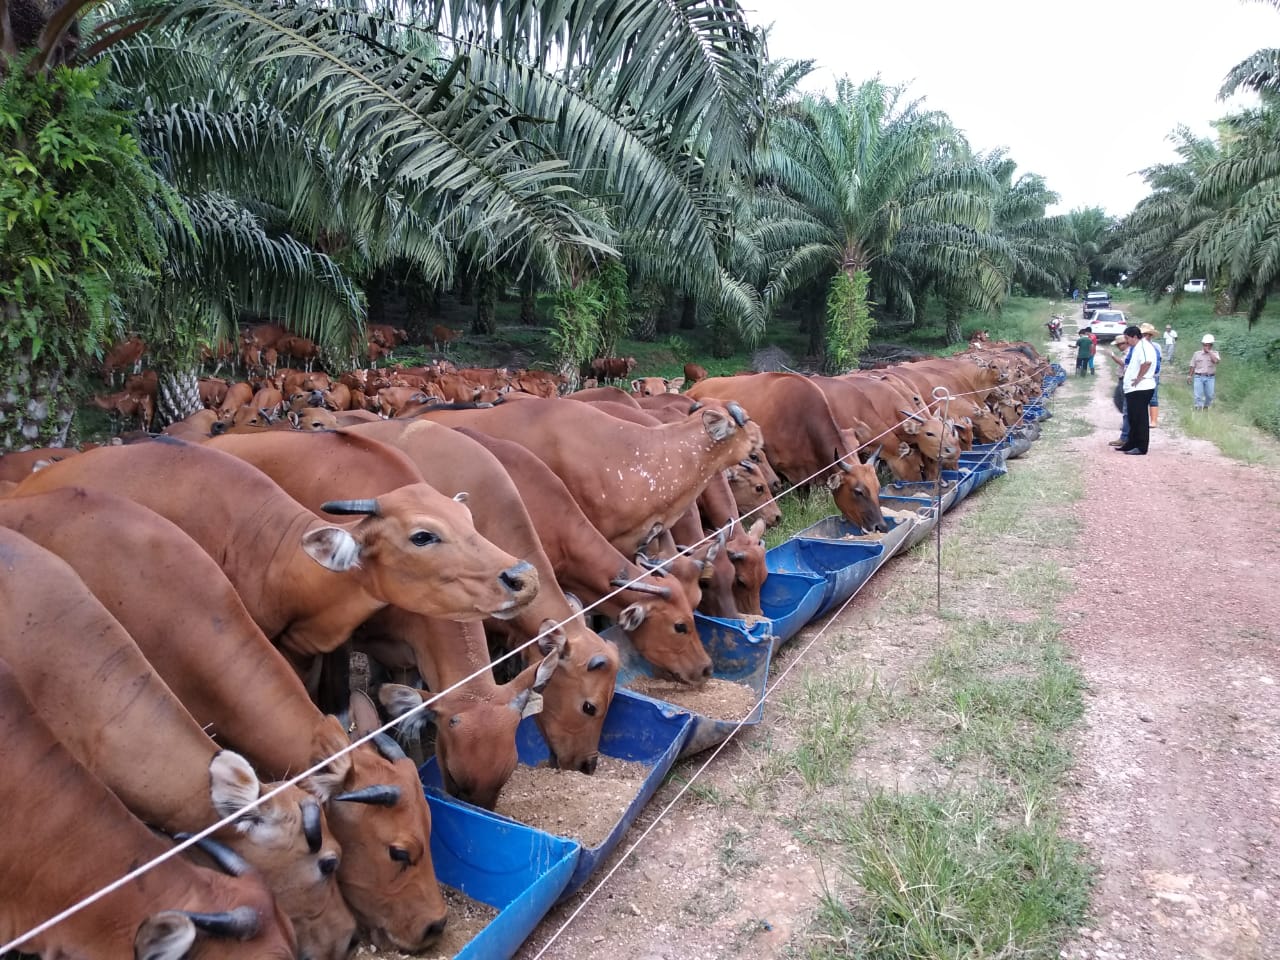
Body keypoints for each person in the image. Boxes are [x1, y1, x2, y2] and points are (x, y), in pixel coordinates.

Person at [1117, 325, 1157, 455]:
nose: (1127, 341)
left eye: (1127, 338)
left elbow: (1147, 363)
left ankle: (1141, 446)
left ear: (1135, 336)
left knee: (1140, 418)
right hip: (1133, 389)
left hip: (1141, 388)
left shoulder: (1144, 346)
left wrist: (1139, 378)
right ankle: (1131, 443)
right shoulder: (1137, 347)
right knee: (1133, 418)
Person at [1187, 333, 1221, 409]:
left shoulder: (1215, 353)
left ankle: (1206, 408)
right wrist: (1189, 376)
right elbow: (1192, 365)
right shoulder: (1197, 354)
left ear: (1211, 345)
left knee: (1209, 395)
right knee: (1198, 395)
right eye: (1205, 345)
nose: (1206, 347)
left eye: (1208, 345)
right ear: (1202, 344)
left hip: (1210, 377)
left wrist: (1209, 352)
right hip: (1198, 377)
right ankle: (1198, 409)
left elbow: (1216, 361)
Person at [1140, 322, 1162, 428]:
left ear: (1151, 335)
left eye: (1147, 334)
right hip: (1140, 375)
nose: (1145, 337)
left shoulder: (1156, 346)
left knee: (1153, 398)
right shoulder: (1138, 346)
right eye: (1143, 335)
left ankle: (1153, 421)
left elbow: (1158, 362)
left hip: (1153, 375)